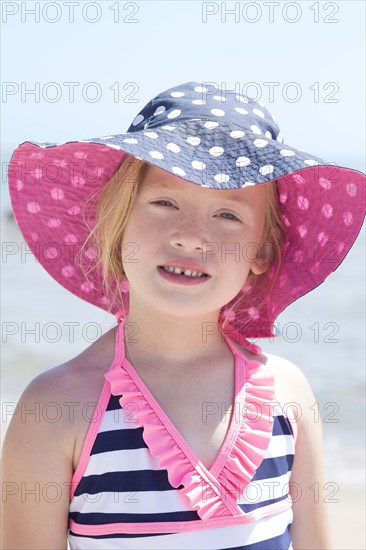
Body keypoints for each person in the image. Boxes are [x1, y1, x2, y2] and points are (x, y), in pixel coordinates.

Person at [1, 81, 365, 550]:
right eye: (165, 203)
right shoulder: (56, 408)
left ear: (263, 249)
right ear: (117, 224)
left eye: (227, 215)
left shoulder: (288, 395)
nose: (191, 237)